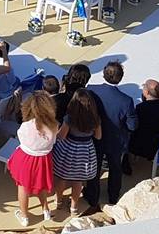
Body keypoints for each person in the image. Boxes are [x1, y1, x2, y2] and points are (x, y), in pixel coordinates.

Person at [85, 62, 138, 208]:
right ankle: (113, 196)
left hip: (95, 138)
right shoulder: (126, 101)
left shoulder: (90, 90)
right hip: (116, 141)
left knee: (94, 169)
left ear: (103, 74)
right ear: (120, 78)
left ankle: (92, 196)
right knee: (115, 169)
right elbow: (132, 126)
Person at [7, 90, 58, 227]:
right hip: (44, 160)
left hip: (26, 159)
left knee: (22, 188)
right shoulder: (54, 126)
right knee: (41, 185)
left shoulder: (26, 125)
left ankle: (24, 217)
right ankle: (46, 209)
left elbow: (20, 138)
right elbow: (52, 144)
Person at [53, 89, 102, 217]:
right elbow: (98, 136)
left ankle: (58, 201)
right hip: (85, 150)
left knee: (62, 177)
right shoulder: (95, 118)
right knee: (78, 181)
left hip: (68, 150)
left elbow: (62, 136)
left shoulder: (70, 118)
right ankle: (74, 207)